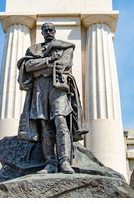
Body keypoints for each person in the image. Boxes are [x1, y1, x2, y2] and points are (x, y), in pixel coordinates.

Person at [17, 22, 88, 174]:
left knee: (61, 121)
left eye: (51, 29)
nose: (49, 31)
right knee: (44, 125)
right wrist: (48, 61)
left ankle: (64, 161)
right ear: (41, 32)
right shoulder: (33, 49)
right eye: (46, 29)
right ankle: (50, 163)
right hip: (39, 88)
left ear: (55, 31)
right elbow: (28, 66)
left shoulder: (66, 47)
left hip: (58, 87)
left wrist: (40, 66)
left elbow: (64, 64)